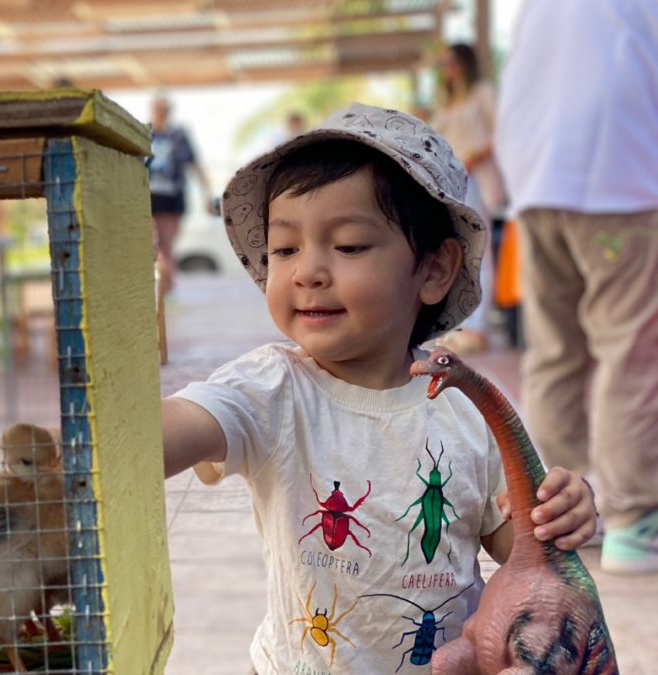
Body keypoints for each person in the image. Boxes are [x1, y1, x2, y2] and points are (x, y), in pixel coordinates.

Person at [161, 103, 598, 673]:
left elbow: (514, 547)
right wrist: (89, 448)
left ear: (435, 270)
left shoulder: (467, 407)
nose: (306, 271)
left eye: (348, 246)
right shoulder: (270, 388)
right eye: (285, 248)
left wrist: (559, 517)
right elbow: (179, 428)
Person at [495, 0, 658, 574]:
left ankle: (563, 514)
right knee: (633, 349)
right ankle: (637, 516)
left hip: (535, 178)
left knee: (556, 350)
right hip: (619, 175)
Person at [430, 43, 507, 354]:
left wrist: (473, 157)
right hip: (449, 181)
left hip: (475, 176)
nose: (447, 68)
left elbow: (500, 132)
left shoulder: (483, 93)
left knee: (478, 250)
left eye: (451, 61)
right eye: (443, 62)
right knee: (454, 250)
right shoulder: (445, 103)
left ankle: (478, 328)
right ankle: (456, 324)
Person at [147, 95, 213, 296]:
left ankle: (167, 289)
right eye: (158, 109)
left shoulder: (179, 136)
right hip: (147, 196)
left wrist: (206, 194)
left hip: (172, 197)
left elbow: (195, 164)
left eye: (164, 109)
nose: (161, 113)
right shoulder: (144, 133)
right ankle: (156, 287)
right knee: (152, 244)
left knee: (167, 246)